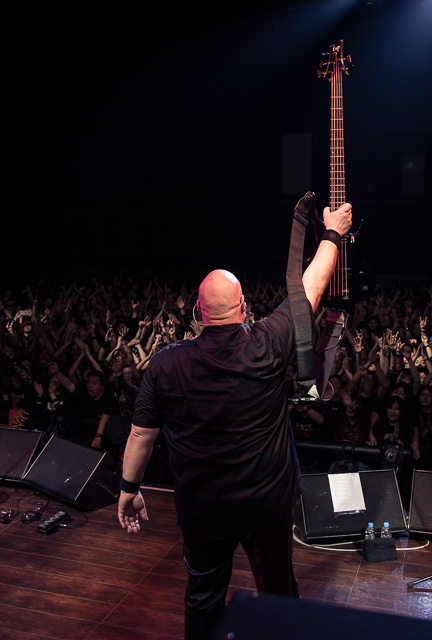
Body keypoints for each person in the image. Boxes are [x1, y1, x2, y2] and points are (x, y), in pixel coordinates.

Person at [116, 202, 352, 640]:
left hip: (203, 510)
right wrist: (332, 232)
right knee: (278, 594)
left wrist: (129, 490)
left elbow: (141, 435)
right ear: (243, 307)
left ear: (198, 312)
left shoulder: (166, 364)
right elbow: (311, 287)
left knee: (204, 595)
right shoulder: (265, 344)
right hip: (265, 506)